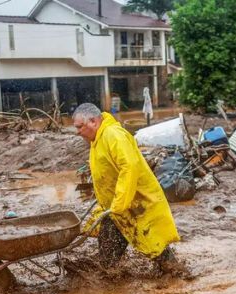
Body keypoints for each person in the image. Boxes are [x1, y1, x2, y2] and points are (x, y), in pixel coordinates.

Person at [72, 103, 187, 277]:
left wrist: (119, 202)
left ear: (94, 121)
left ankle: (178, 278)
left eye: (80, 127)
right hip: (117, 208)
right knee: (108, 258)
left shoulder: (113, 135)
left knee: (155, 247)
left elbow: (129, 166)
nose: (77, 132)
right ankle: (113, 283)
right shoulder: (98, 139)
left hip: (136, 204)